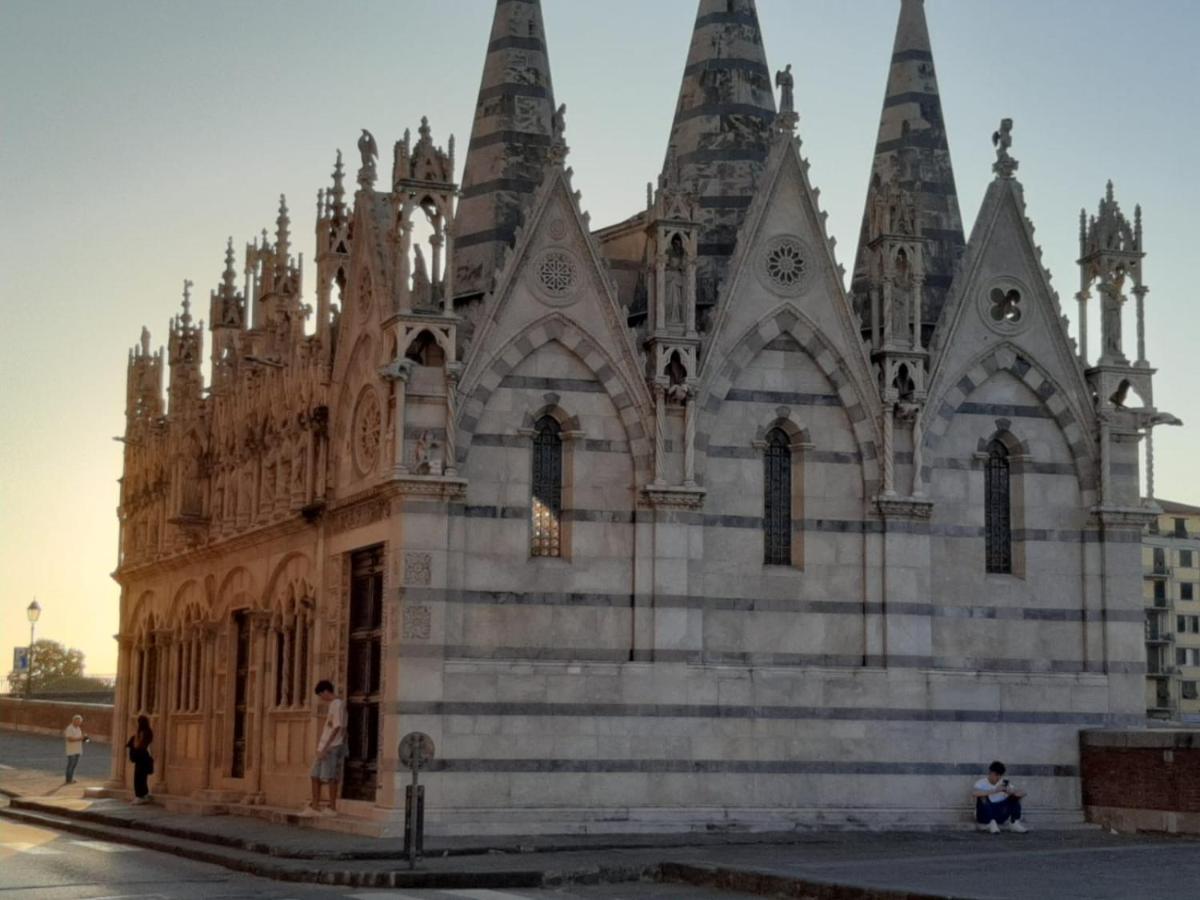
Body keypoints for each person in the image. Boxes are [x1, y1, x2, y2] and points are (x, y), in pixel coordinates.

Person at [302, 680, 347, 817]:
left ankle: (332, 807)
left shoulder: (337, 704)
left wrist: (326, 747)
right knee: (315, 775)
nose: (322, 699)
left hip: (331, 747)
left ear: (326, 692)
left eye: (321, 695)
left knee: (330, 777)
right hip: (324, 746)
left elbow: (338, 726)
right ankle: (315, 805)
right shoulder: (334, 705)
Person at [973, 760, 1027, 833]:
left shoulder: (1004, 783)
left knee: (1014, 797)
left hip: (1000, 813)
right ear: (990, 773)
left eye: (1000, 775)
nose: (998, 777)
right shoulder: (981, 782)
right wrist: (995, 790)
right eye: (996, 774)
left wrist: (1011, 791)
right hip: (984, 815)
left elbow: (1023, 793)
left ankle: (1014, 823)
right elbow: (975, 793)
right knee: (982, 797)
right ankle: (990, 824)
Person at [125, 715, 154, 804]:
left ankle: (140, 796)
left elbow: (139, 745)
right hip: (143, 757)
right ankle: (143, 794)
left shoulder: (144, 732)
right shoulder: (147, 732)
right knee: (142, 777)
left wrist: (135, 739)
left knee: (139, 777)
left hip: (142, 756)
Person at [63, 715, 88, 784]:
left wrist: (85, 739)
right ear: (73, 721)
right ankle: (68, 779)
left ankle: (71, 778)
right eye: (77, 721)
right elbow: (69, 739)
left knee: (74, 765)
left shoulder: (78, 728)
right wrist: (80, 738)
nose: (79, 723)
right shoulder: (69, 728)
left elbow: (81, 739)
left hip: (78, 749)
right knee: (70, 765)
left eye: (80, 722)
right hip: (71, 750)